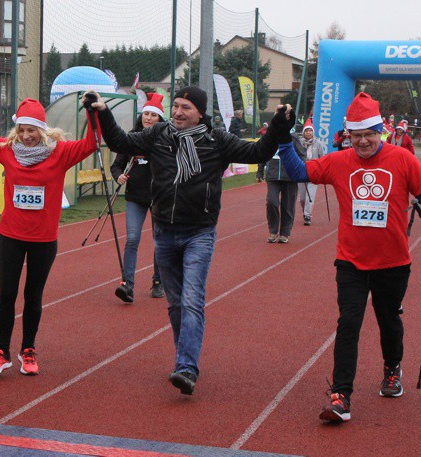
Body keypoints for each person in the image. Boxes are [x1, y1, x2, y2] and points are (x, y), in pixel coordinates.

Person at [85, 86, 295, 395]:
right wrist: (102, 111)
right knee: (175, 304)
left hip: (199, 231)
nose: (179, 112)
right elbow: (120, 142)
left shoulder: (217, 140)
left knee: (192, 299)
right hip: (164, 232)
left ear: (200, 112)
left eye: (186, 107)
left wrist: (278, 126)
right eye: (176, 106)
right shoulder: (157, 134)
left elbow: (258, 152)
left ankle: (186, 367)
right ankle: (185, 356)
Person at [274, 92, 421, 423]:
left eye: (370, 134)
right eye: (357, 136)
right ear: (348, 136)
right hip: (351, 261)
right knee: (349, 323)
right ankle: (341, 395)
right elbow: (298, 172)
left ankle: (391, 368)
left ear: (380, 131)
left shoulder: (402, 159)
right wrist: (283, 138)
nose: (364, 141)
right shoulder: (339, 162)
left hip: (394, 262)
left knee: (388, 320)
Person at [0, 96, 98, 376]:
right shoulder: (6, 150)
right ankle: (1, 353)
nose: (26, 136)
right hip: (11, 236)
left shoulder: (61, 153)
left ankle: (28, 350)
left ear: (42, 130)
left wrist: (92, 112)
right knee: (6, 295)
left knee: (33, 296)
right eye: (21, 129)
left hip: (44, 240)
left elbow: (91, 144)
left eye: (31, 130)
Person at [111, 93, 165, 303]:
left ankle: (158, 282)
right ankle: (128, 285)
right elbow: (116, 165)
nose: (148, 118)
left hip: (160, 198)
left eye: (153, 115)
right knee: (132, 239)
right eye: (146, 114)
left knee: (160, 241)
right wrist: (119, 176)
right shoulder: (132, 138)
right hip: (135, 197)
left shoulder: (166, 139)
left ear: (160, 119)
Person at [257, 126, 306, 243]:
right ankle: (273, 231)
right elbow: (262, 153)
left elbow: (302, 155)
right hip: (273, 176)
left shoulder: (293, 137)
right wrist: (260, 171)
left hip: (290, 176)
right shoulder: (270, 137)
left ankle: (285, 232)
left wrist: (302, 170)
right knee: (271, 201)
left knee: (288, 205)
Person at [296, 119, 327, 226]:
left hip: (314, 173)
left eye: (310, 131)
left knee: (310, 196)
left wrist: (322, 170)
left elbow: (322, 158)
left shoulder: (318, 143)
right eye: (306, 131)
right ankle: (305, 211)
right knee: (302, 198)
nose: (308, 132)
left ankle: (308, 215)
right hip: (301, 172)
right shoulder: (299, 142)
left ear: (313, 132)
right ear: (303, 132)